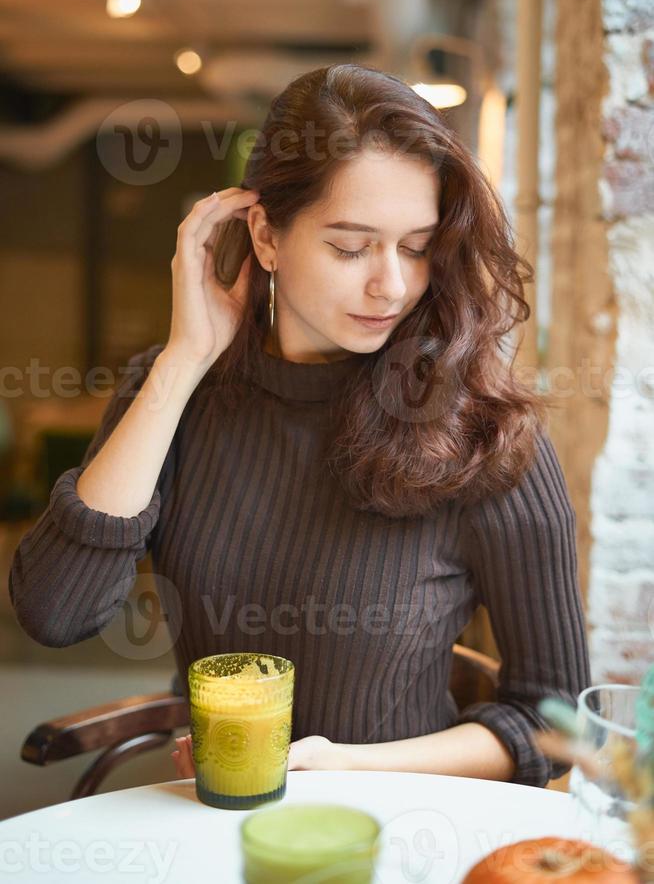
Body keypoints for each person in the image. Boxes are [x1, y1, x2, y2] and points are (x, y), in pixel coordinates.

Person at [9, 63, 591, 787]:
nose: (392, 284)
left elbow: (558, 718)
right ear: (266, 236)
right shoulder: (179, 394)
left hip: (399, 832)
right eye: (350, 247)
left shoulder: (481, 429)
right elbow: (55, 612)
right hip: (222, 823)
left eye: (416, 247)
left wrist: (339, 764)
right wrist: (183, 360)